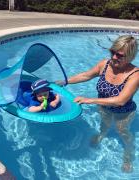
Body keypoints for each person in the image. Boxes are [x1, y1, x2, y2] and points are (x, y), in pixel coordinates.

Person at [58, 35, 139, 173]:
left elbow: (121, 100)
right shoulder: (104, 64)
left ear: (130, 56)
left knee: (123, 132)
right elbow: (86, 75)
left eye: (119, 55)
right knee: (104, 124)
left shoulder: (135, 75)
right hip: (103, 107)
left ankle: (128, 155)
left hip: (123, 112)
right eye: (112, 52)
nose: (114, 57)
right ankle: (102, 134)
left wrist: (90, 100)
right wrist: (64, 81)